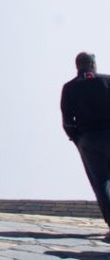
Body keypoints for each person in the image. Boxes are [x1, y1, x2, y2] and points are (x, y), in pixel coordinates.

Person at [60, 52, 110, 242]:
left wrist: (77, 140)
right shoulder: (107, 81)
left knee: (101, 182)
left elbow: (67, 120)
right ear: (93, 64)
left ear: (77, 66)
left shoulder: (70, 87)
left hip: (89, 139)